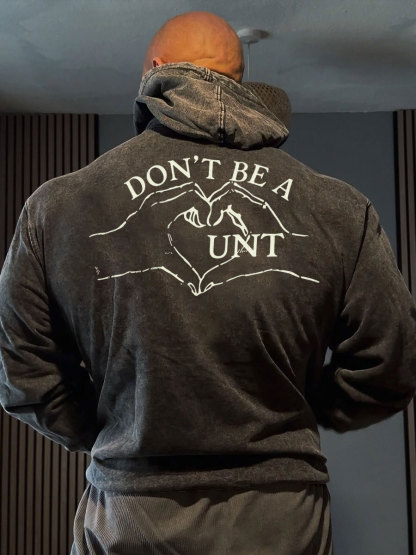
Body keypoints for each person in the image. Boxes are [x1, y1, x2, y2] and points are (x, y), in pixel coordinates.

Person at [0, 10, 415, 555]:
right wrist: (301, 412)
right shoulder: (338, 209)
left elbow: (25, 375)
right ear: (240, 82)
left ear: (153, 71)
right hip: (281, 516)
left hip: (130, 512)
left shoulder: (60, 207)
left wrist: (109, 430)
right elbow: (391, 362)